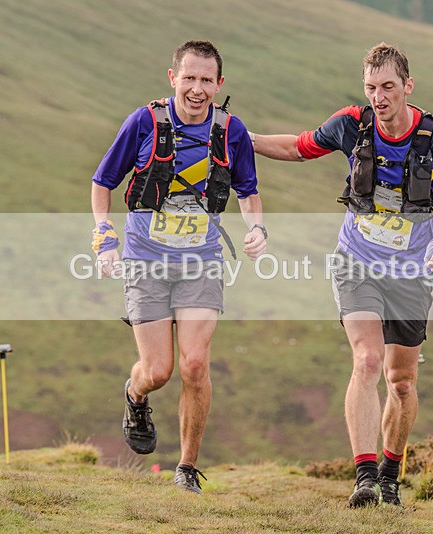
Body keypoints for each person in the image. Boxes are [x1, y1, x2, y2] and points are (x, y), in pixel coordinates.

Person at [252, 42, 433, 507]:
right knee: (365, 361)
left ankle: (389, 471)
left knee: (401, 381)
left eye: (387, 87)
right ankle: (364, 476)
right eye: (370, 88)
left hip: (411, 274)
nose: (379, 97)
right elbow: (300, 147)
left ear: (407, 86)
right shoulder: (353, 124)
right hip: (356, 262)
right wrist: (239, 138)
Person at [90, 40, 267, 494]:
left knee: (194, 365)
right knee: (159, 371)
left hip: (201, 260)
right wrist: (104, 237)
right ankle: (135, 395)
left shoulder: (231, 130)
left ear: (219, 84)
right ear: (173, 78)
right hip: (145, 259)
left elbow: (248, 189)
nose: (197, 88)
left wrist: (257, 229)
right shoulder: (145, 121)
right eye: (189, 78)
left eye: (206, 80)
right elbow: (103, 181)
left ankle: (187, 468)